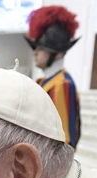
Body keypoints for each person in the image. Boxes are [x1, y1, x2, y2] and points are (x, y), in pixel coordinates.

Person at [26, 5, 81, 149]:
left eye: (41, 48)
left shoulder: (61, 85)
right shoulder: (43, 82)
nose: (35, 52)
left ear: (58, 53)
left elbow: (61, 141)